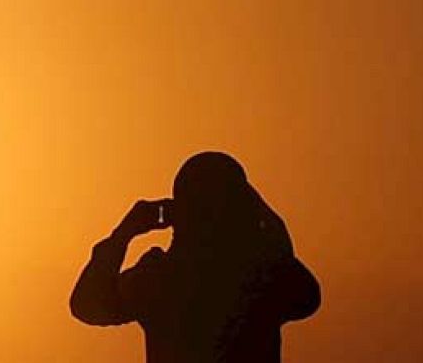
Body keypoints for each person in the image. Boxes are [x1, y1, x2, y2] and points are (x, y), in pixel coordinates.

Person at [70, 151, 321, 362]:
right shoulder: (263, 277)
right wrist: (259, 210)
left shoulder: (159, 279)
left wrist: (124, 234)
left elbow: (87, 305)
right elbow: (306, 297)